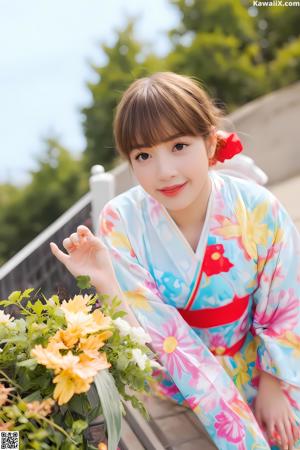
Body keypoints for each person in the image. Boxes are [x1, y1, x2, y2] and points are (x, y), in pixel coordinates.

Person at [50, 72, 300, 450]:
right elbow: (153, 331)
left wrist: (273, 382)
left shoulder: (256, 206)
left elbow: (285, 302)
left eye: (179, 145)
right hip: (179, 376)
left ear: (210, 142)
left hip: (260, 356)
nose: (164, 171)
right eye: (144, 155)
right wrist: (105, 280)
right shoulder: (122, 221)